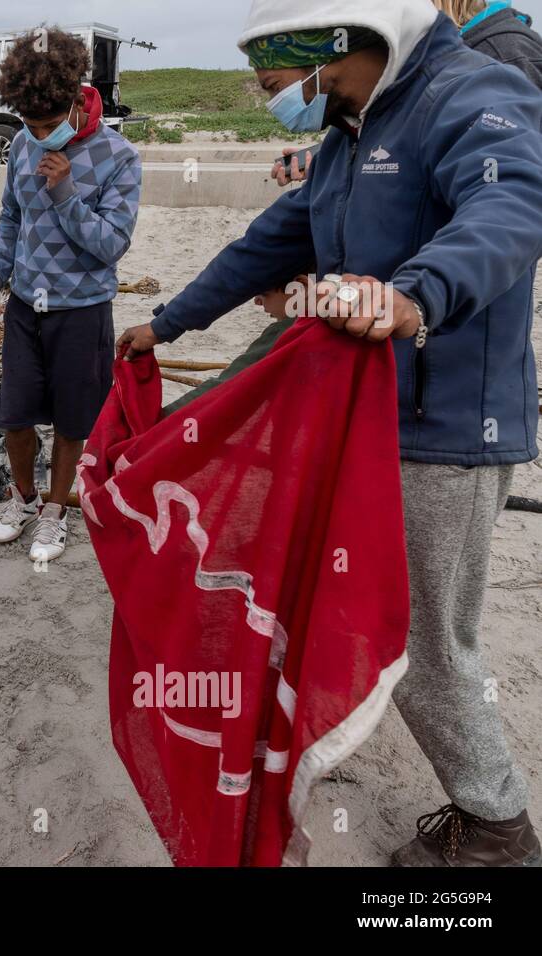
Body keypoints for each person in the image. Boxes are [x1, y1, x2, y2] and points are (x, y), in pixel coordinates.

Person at [117, 0, 542, 867]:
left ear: (337, 43)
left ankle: (497, 824)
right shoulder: (354, 129)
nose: (269, 93)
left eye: (275, 77)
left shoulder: (471, 93)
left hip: (447, 427)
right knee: (336, 601)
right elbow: (268, 242)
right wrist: (170, 324)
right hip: (362, 422)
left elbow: (511, 213)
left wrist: (411, 293)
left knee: (428, 640)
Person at [0, 28, 142, 565]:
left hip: (83, 309)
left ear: (76, 99)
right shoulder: (22, 143)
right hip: (27, 306)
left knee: (73, 422)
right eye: (30, 123)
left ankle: (54, 510)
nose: (38, 134)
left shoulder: (119, 157)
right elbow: (10, 218)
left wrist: (66, 192)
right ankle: (22, 500)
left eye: (48, 125)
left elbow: (109, 246)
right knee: (15, 415)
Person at [271, 1, 542, 185]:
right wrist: (331, 161)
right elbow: (412, 141)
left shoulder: (503, 54)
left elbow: (502, 172)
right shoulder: (435, 60)